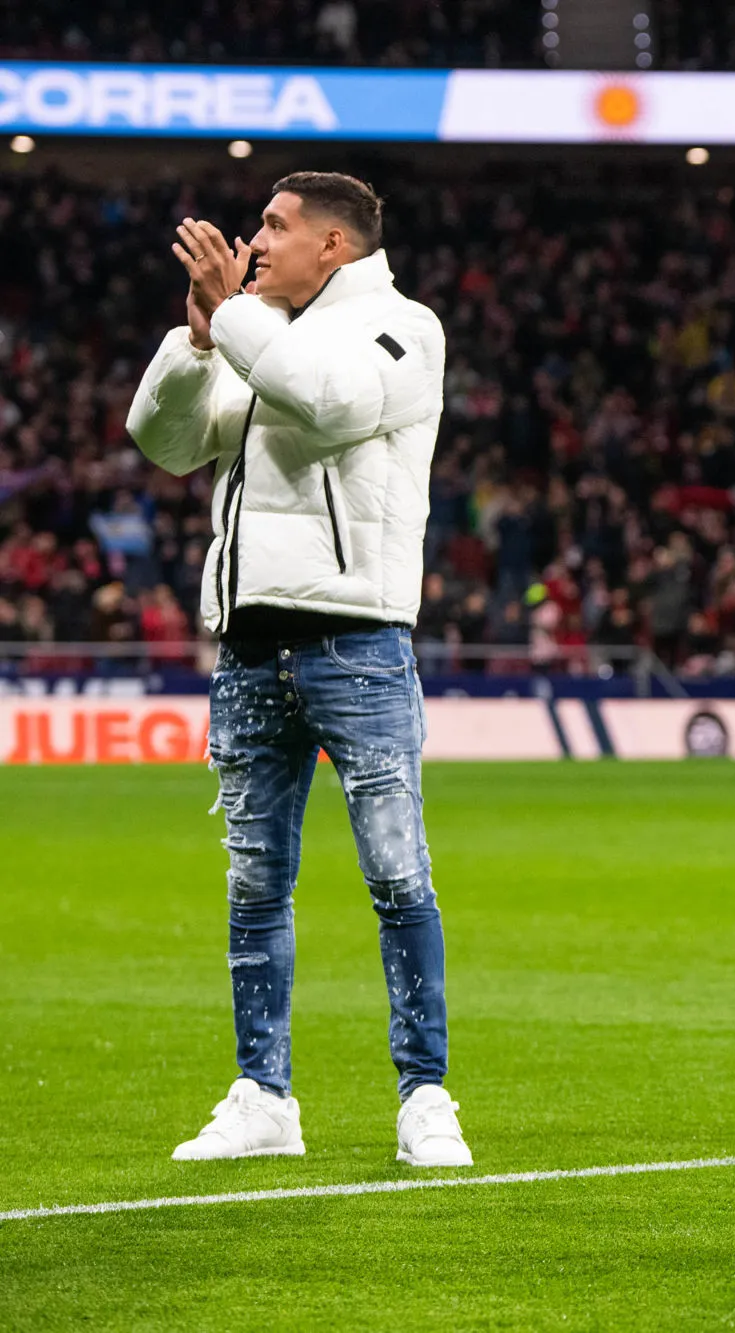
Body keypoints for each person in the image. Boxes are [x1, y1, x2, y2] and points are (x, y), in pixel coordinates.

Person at [127, 173, 471, 1168]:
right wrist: (198, 337)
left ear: (334, 245)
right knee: (253, 885)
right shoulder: (252, 335)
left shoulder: (402, 329)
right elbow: (161, 441)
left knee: (398, 874)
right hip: (246, 647)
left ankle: (424, 1095)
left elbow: (328, 405)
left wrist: (233, 317)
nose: (254, 241)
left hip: (355, 642)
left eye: (275, 226)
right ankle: (262, 1094)